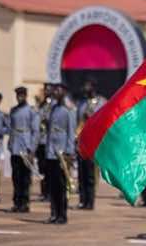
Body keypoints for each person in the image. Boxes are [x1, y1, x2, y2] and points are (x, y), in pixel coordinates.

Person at [45, 83, 76, 224]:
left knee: (61, 186)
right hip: (51, 152)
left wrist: (69, 152)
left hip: (61, 153)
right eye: (55, 90)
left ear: (64, 92)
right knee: (51, 186)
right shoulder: (52, 109)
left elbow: (71, 132)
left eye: (58, 90)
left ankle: (62, 215)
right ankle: (53, 213)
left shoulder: (68, 110)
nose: (55, 92)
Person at [8, 86, 40, 213]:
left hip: (26, 147)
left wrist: (32, 149)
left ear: (26, 96)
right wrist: (10, 144)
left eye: (21, 94)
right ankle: (17, 202)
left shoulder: (31, 111)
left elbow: (36, 131)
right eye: (17, 95)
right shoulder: (13, 110)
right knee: (16, 176)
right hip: (15, 146)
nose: (19, 97)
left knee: (25, 177)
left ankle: (25, 202)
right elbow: (11, 128)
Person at [76, 78, 106, 210]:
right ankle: (82, 200)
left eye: (88, 86)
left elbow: (105, 120)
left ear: (93, 87)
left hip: (94, 142)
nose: (85, 89)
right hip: (82, 140)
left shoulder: (102, 102)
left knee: (90, 174)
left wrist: (93, 117)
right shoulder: (81, 103)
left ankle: (90, 201)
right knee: (81, 173)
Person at [36, 83, 54, 202]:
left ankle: (49, 192)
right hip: (40, 140)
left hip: (49, 140)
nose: (46, 91)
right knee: (41, 168)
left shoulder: (53, 105)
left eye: (48, 90)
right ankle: (43, 191)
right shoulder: (41, 105)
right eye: (45, 90)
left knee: (49, 169)